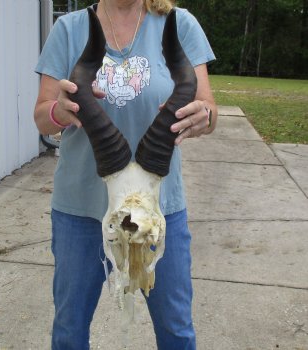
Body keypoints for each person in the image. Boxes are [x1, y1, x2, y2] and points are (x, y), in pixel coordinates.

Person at [34, 0, 217, 349]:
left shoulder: (179, 24)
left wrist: (204, 116)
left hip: (159, 211)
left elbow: (209, 108)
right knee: (69, 331)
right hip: (80, 211)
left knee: (176, 330)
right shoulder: (70, 29)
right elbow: (42, 117)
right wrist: (61, 109)